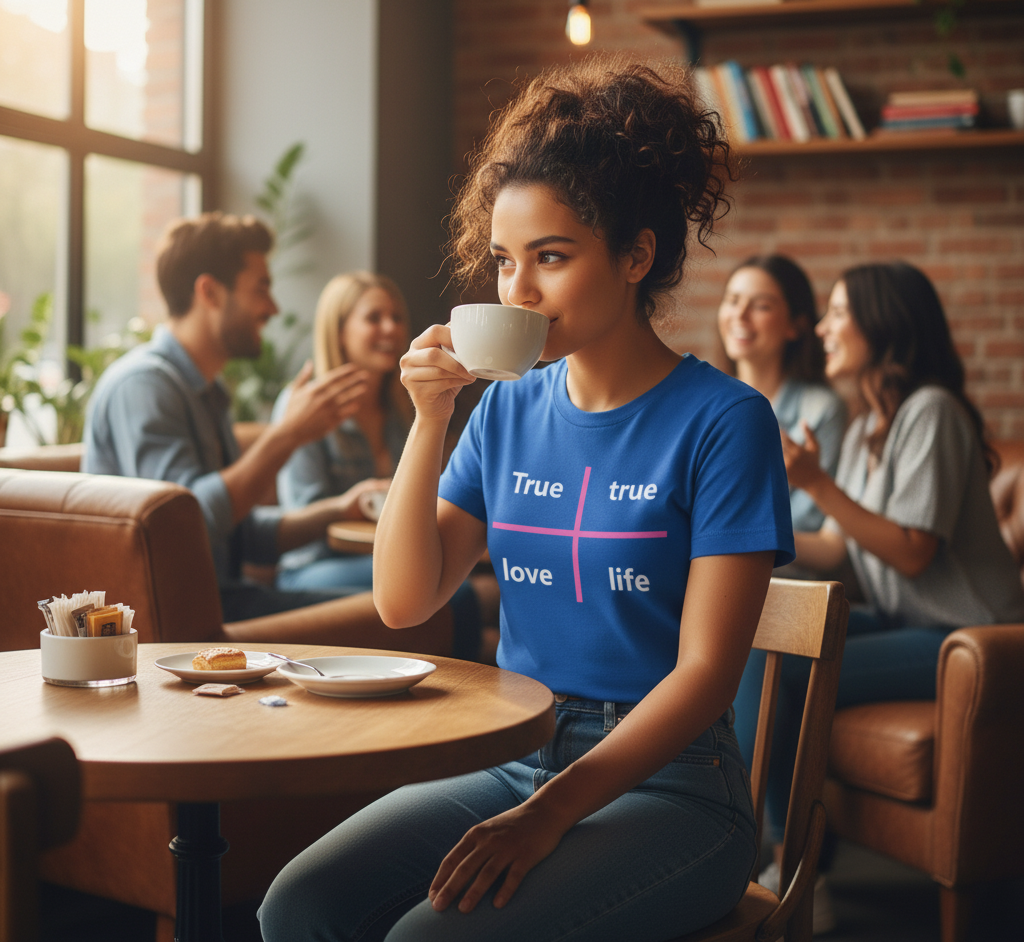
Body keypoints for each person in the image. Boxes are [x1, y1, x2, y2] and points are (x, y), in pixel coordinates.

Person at [259, 54, 795, 942]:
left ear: (636, 255)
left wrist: (549, 814)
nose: (519, 291)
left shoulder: (725, 421)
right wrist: (431, 419)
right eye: (505, 262)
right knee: (298, 906)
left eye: (551, 257)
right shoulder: (505, 408)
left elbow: (706, 679)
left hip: (676, 787)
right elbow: (404, 600)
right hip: (514, 752)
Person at [735, 261, 1024, 926]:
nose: (825, 328)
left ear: (883, 323)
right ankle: (779, 860)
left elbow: (913, 550)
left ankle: (778, 864)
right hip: (906, 621)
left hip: (974, 637)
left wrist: (816, 483)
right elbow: (843, 552)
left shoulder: (931, 411)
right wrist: (745, 550)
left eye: (839, 314)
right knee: (760, 634)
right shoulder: (871, 426)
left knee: (784, 664)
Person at [82, 212, 454, 655]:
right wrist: (287, 435)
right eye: (261, 288)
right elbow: (186, 525)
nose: (273, 308)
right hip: (176, 619)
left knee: (435, 605)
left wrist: (339, 507)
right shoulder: (144, 386)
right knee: (440, 608)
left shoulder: (207, 393)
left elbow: (241, 535)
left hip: (225, 598)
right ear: (209, 292)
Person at [272, 272, 489, 660]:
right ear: (339, 332)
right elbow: (302, 512)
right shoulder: (305, 404)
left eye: (397, 317)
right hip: (317, 564)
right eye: (374, 318)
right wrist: (354, 505)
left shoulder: (404, 407)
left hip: (385, 557)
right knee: (458, 594)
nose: (390, 328)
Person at [717, 254, 846, 533]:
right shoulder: (705, 404)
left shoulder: (821, 410)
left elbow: (809, 521)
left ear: (795, 325)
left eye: (761, 306)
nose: (740, 315)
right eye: (732, 300)